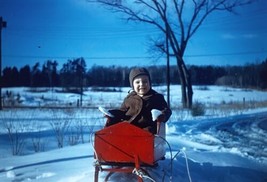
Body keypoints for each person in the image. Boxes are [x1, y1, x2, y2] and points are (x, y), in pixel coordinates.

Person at [104, 67, 172, 134]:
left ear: (149, 83)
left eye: (145, 81)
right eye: (137, 82)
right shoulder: (129, 98)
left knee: (148, 131)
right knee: (115, 127)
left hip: (146, 128)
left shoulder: (156, 97)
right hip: (129, 126)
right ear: (133, 85)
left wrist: (162, 116)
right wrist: (112, 114)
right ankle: (107, 138)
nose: (141, 84)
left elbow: (166, 110)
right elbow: (122, 112)